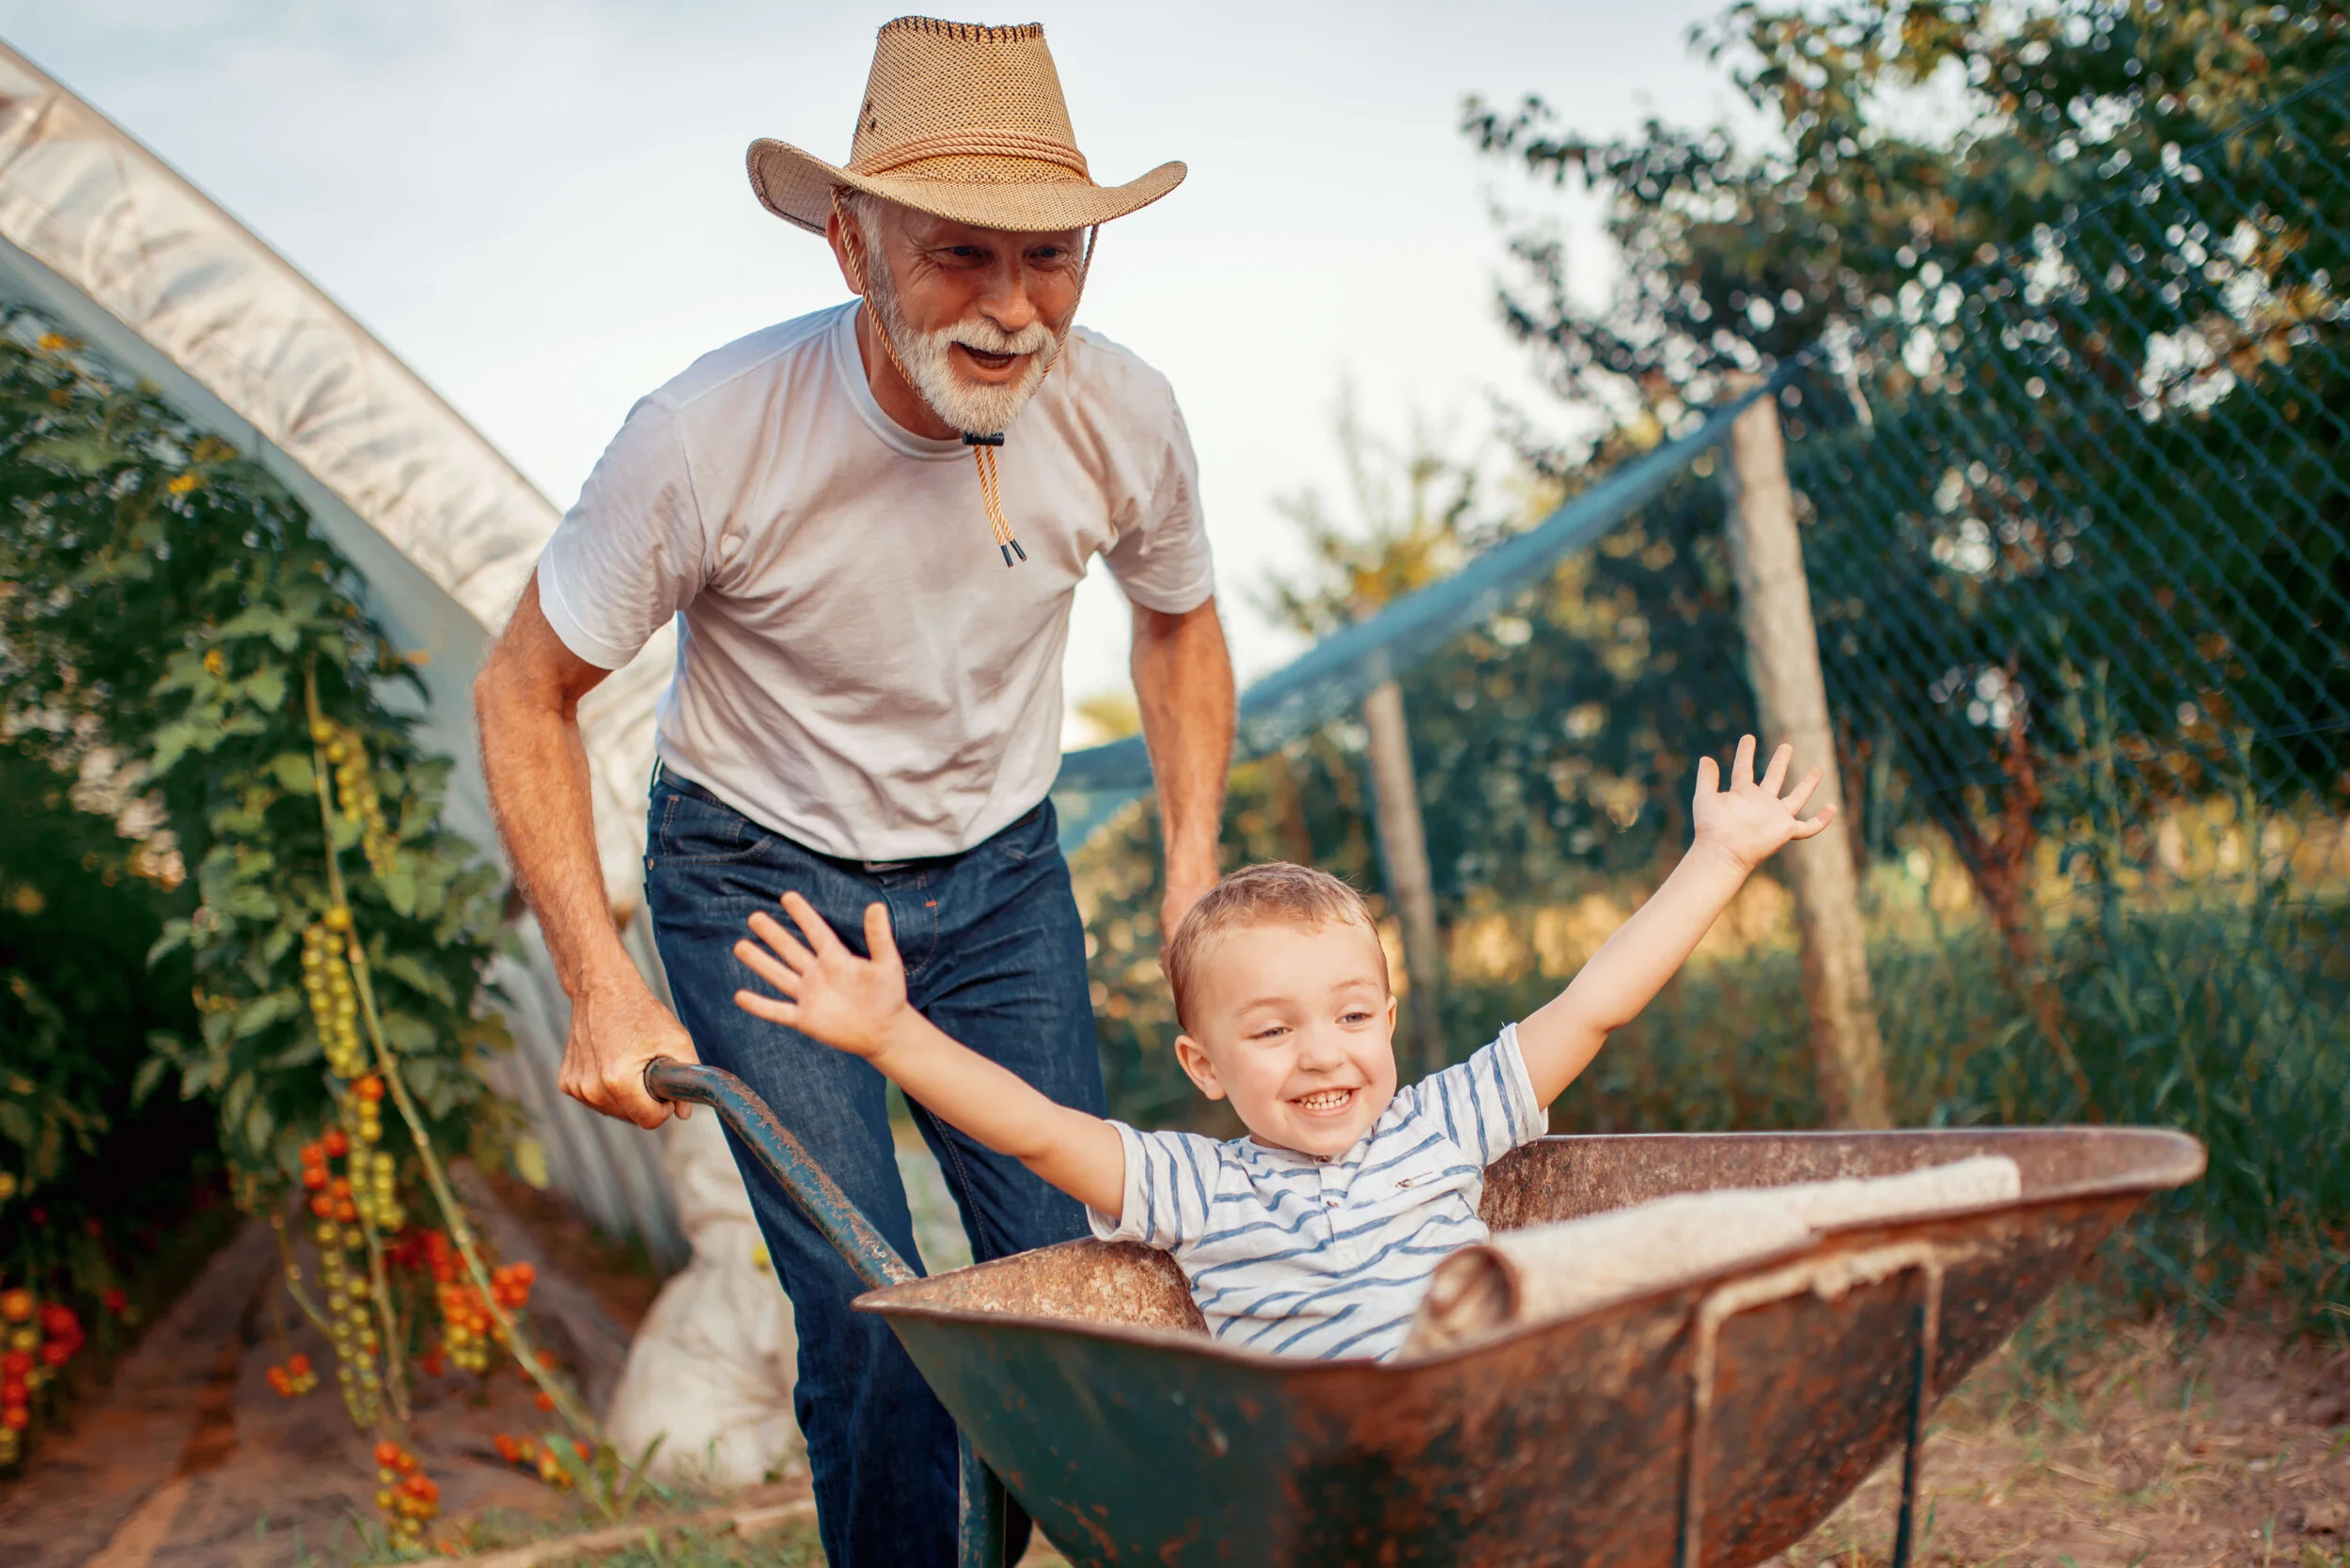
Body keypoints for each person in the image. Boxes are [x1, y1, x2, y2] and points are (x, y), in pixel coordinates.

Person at [471, 18, 1231, 1567]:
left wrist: (1191, 865)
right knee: (875, 1302)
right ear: (849, 239)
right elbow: (521, 690)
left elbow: (1182, 617)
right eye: (960, 254)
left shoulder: (1127, 413)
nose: (1015, 312)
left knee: (1060, 1288)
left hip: (1003, 880)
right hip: (760, 881)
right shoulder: (707, 438)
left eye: (1054, 258)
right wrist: (600, 978)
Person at [732, 738, 1834, 1362]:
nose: (1322, 1056)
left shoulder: (1445, 1121)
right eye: (1271, 1030)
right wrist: (892, 1033)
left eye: (1354, 1017)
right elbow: (1036, 1130)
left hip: (1494, 1409)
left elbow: (1594, 1004)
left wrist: (1719, 862)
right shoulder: (1196, 1188)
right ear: (1204, 1066)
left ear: (1388, 1021)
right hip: (1325, 1466)